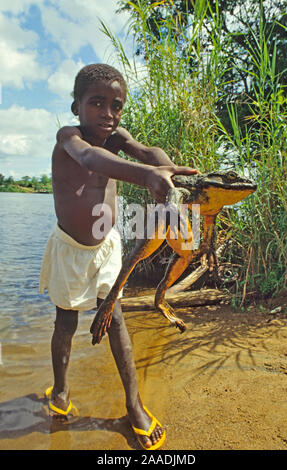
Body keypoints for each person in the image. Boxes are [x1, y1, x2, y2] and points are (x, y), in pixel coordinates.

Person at [39, 63, 198, 450]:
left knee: (117, 321)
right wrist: (146, 175)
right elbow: (91, 161)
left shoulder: (117, 136)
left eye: (116, 105)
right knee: (66, 322)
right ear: (76, 106)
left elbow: (147, 152)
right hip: (69, 249)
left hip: (106, 245)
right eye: (97, 103)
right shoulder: (68, 137)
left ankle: (133, 406)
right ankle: (60, 393)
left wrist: (165, 168)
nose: (108, 114)